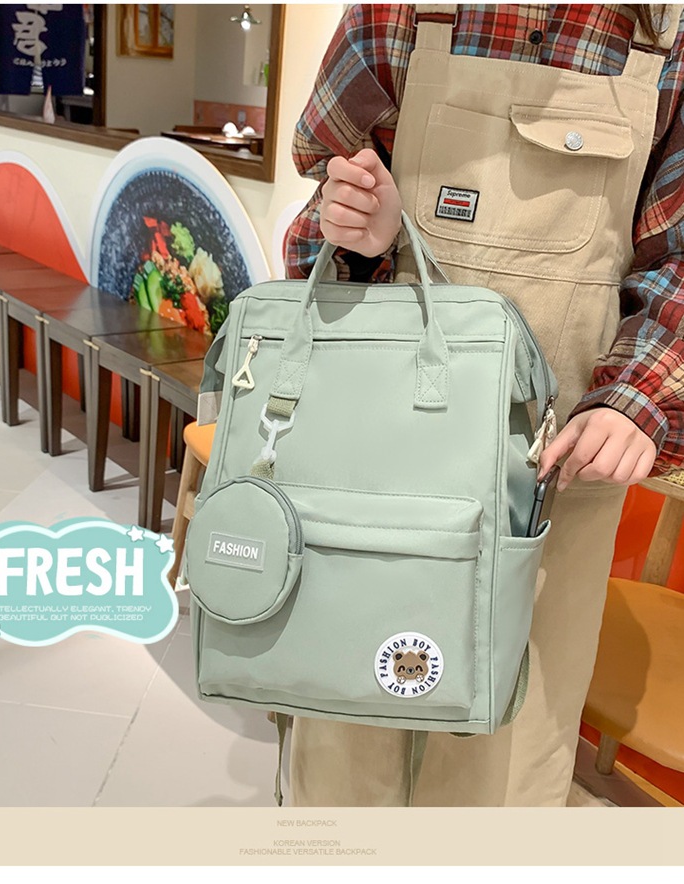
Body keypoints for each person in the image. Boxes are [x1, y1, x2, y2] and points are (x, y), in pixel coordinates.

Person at [283, 3, 684, 806]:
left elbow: (676, 258)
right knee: (347, 736)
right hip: (376, 459)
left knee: (506, 759)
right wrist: (359, 236)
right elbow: (320, 217)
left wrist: (636, 398)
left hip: (554, 473)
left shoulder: (664, 32)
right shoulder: (394, 11)